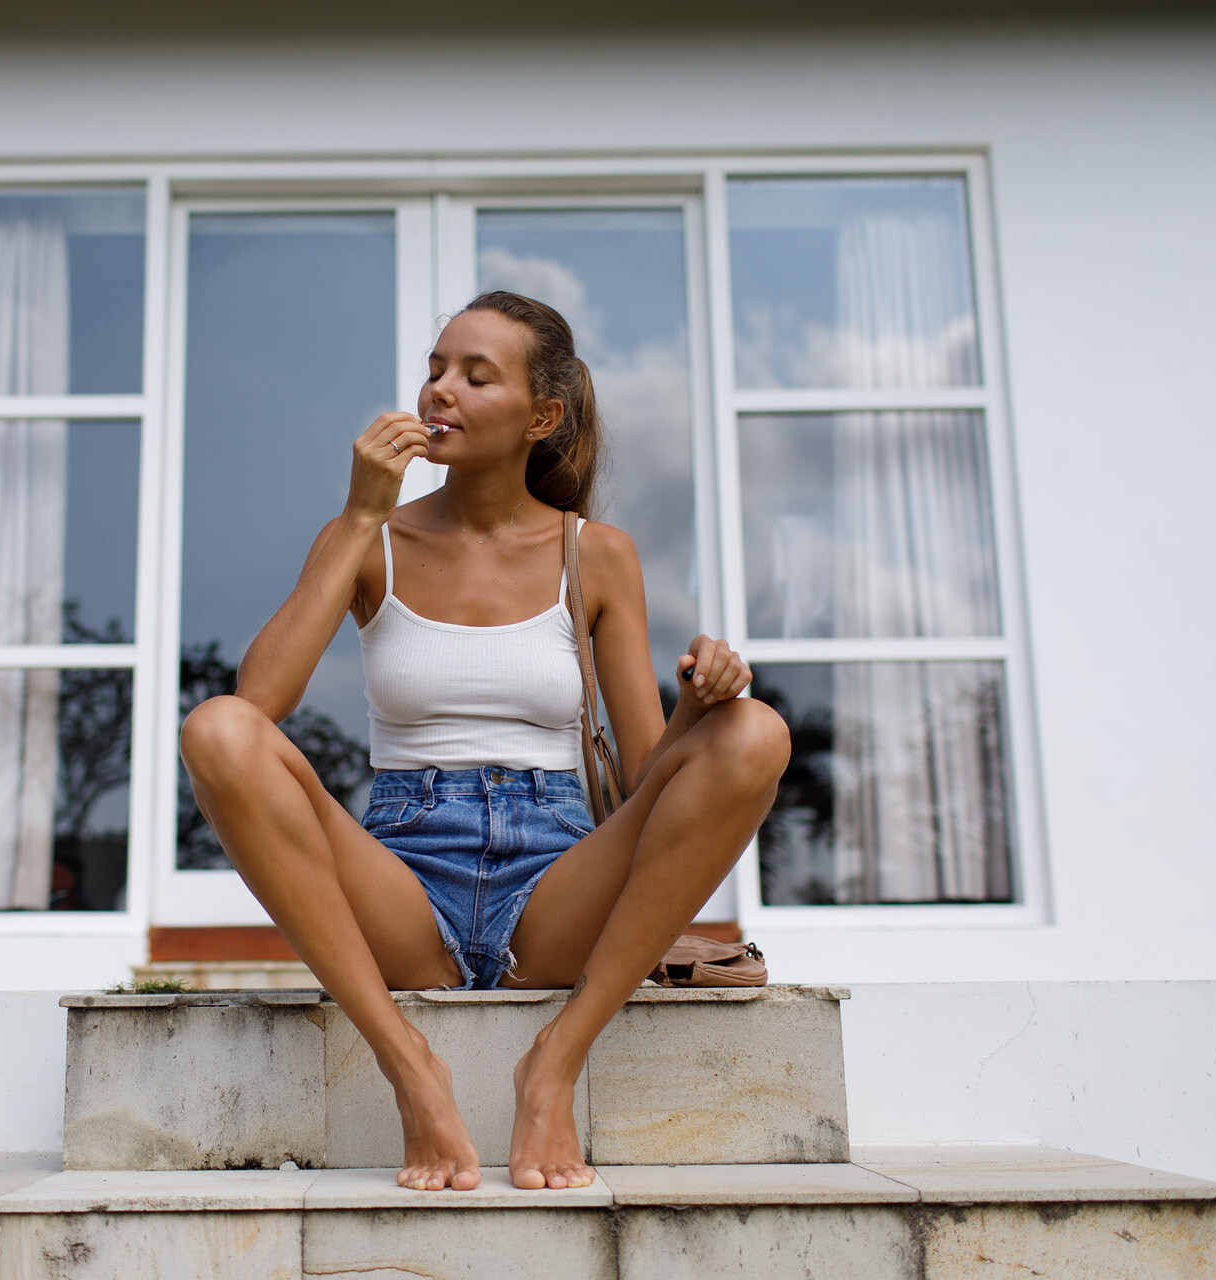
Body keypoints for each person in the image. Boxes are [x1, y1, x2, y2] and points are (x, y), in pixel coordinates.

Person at [179, 291, 791, 1193]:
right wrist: (359, 516)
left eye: (475, 376)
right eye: (435, 370)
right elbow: (258, 702)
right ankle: (409, 1068)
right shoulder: (368, 538)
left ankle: (554, 1062)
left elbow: (649, 781)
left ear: (541, 417)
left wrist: (702, 707)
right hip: (404, 878)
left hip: (554, 879)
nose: (440, 391)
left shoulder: (597, 554)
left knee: (755, 734)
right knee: (217, 730)